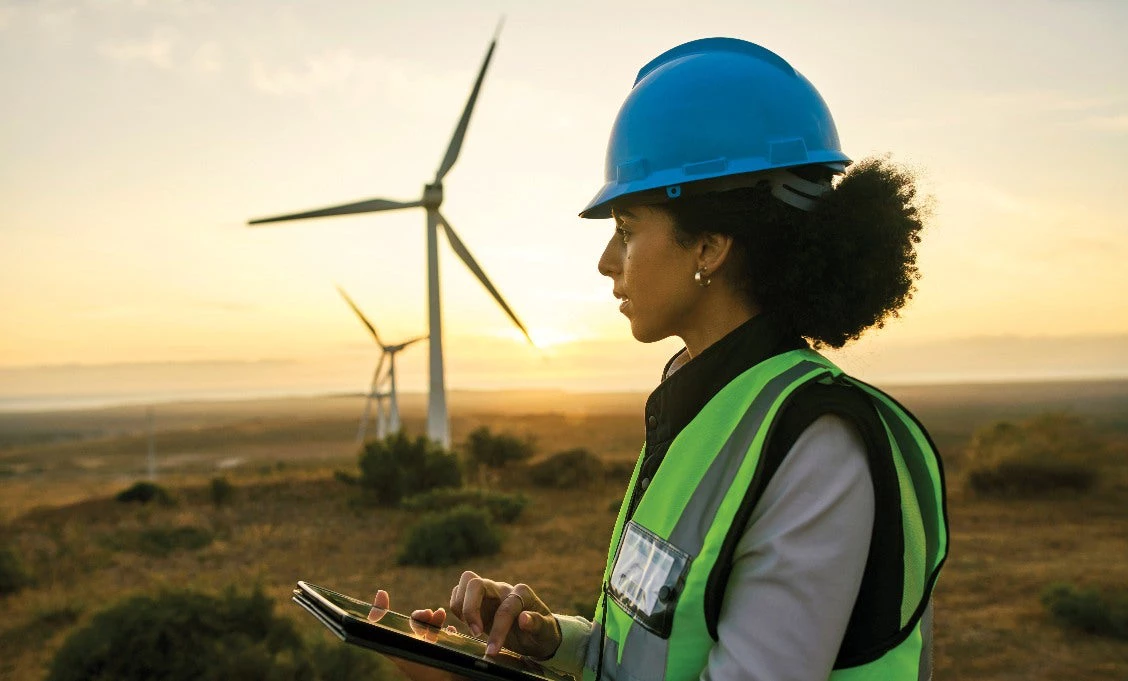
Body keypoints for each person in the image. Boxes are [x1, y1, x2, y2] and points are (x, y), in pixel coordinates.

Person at [375, 37, 949, 681]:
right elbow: (656, 651)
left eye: (626, 228)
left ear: (708, 246)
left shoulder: (815, 444)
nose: (606, 262)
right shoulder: (701, 405)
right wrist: (549, 642)